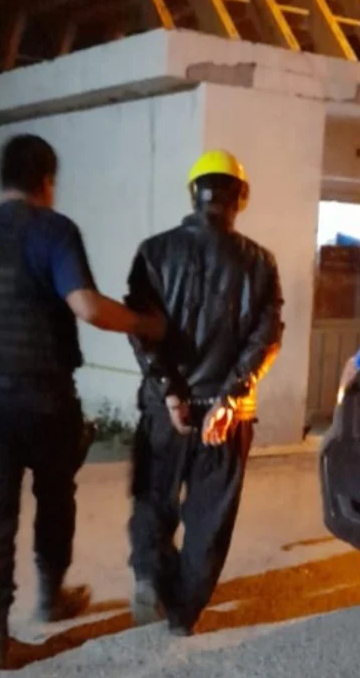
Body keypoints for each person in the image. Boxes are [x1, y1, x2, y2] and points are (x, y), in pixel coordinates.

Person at [0, 134, 165, 669]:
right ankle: (50, 595)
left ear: (3, 178)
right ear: (47, 181)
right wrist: (146, 324)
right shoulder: (53, 230)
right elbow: (86, 306)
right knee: (55, 495)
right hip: (42, 398)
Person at [125, 149, 284, 636]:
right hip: (227, 418)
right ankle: (183, 613)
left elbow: (141, 331)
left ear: (193, 195)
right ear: (241, 198)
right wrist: (230, 396)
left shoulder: (154, 252)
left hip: (165, 412)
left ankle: (151, 577)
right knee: (210, 519)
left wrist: (171, 392)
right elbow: (266, 338)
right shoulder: (260, 262)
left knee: (153, 499)